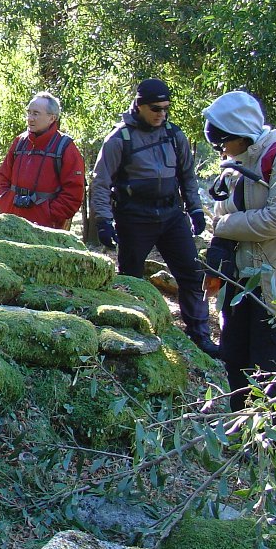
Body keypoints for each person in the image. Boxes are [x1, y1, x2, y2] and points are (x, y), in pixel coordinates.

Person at [89, 78, 218, 356]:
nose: (161, 113)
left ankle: (200, 336)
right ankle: (132, 332)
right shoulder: (119, 139)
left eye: (166, 108)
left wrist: (195, 209)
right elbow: (100, 182)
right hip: (135, 218)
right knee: (131, 279)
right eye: (156, 108)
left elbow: (187, 176)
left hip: (172, 215)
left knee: (192, 274)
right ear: (139, 106)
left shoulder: (174, 135)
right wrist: (103, 221)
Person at [201, 91, 276, 411]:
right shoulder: (234, 165)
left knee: (270, 366)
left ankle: (268, 437)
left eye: (221, 142)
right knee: (235, 358)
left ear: (240, 134)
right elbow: (220, 213)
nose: (220, 150)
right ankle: (241, 427)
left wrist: (225, 226)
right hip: (240, 281)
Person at [0, 92, 85, 230]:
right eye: (29, 113)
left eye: (36, 114)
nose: (30, 118)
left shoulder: (65, 148)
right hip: (12, 223)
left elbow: (73, 193)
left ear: (52, 118)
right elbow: (3, 177)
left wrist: (48, 214)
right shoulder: (20, 142)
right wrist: (5, 203)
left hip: (46, 229)